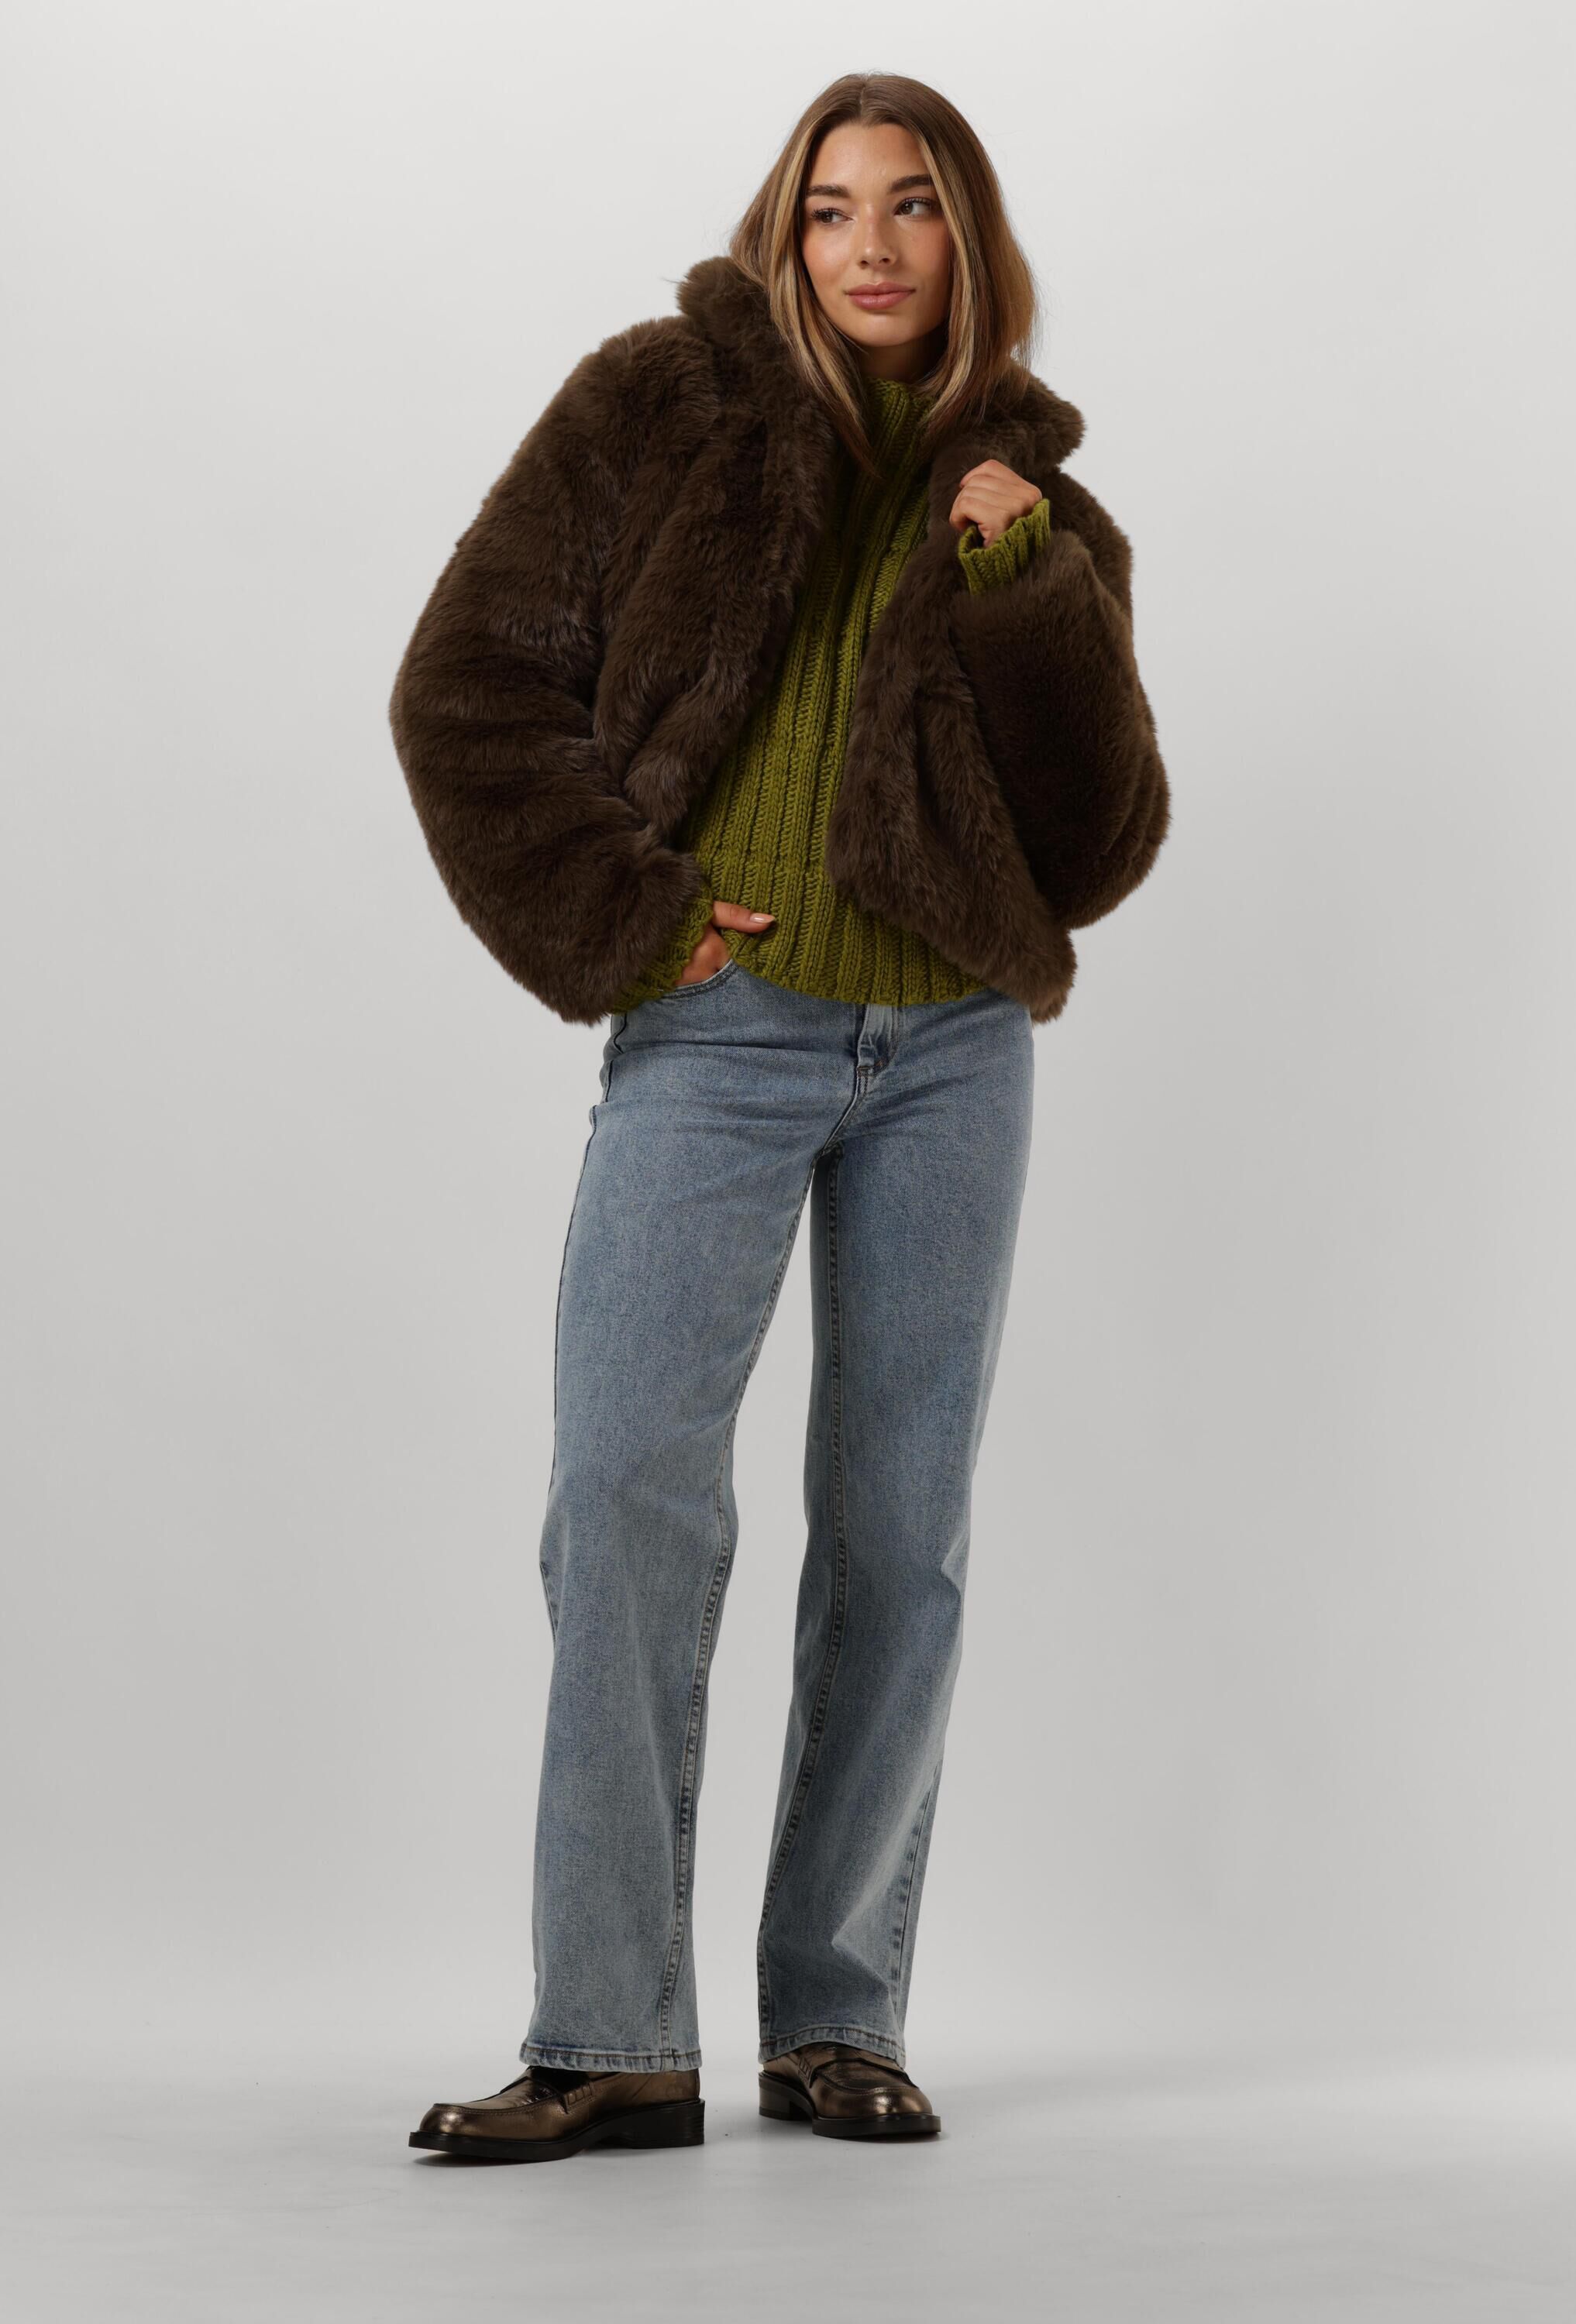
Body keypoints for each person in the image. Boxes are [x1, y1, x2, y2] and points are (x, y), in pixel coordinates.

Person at [388, 71, 1170, 2162]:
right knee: (626, 1493)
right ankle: (609, 2038)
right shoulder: (657, 408)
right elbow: (461, 685)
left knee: (901, 1536)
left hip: (954, 1054)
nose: (871, 245)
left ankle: (838, 2018)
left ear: (968, 242)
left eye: (913, 207)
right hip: (715, 1037)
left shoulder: (1038, 509)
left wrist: (1020, 583)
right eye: (832, 207)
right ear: (785, 230)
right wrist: (630, 917)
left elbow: (1093, 846)